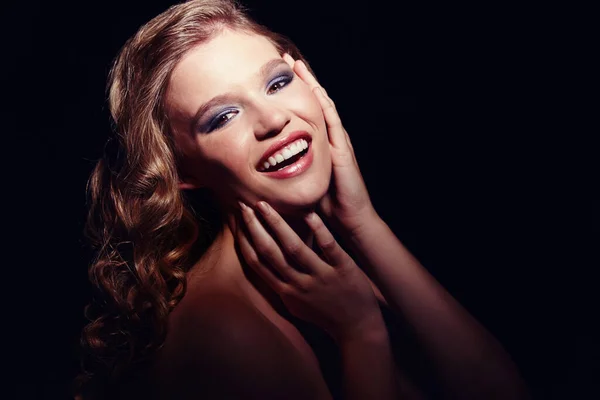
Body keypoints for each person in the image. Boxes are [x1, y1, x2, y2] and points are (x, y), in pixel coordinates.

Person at [75, 0, 531, 399]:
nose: (274, 119)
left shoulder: (325, 268)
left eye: (276, 83)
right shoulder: (225, 332)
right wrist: (362, 335)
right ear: (182, 172)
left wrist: (363, 222)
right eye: (223, 116)